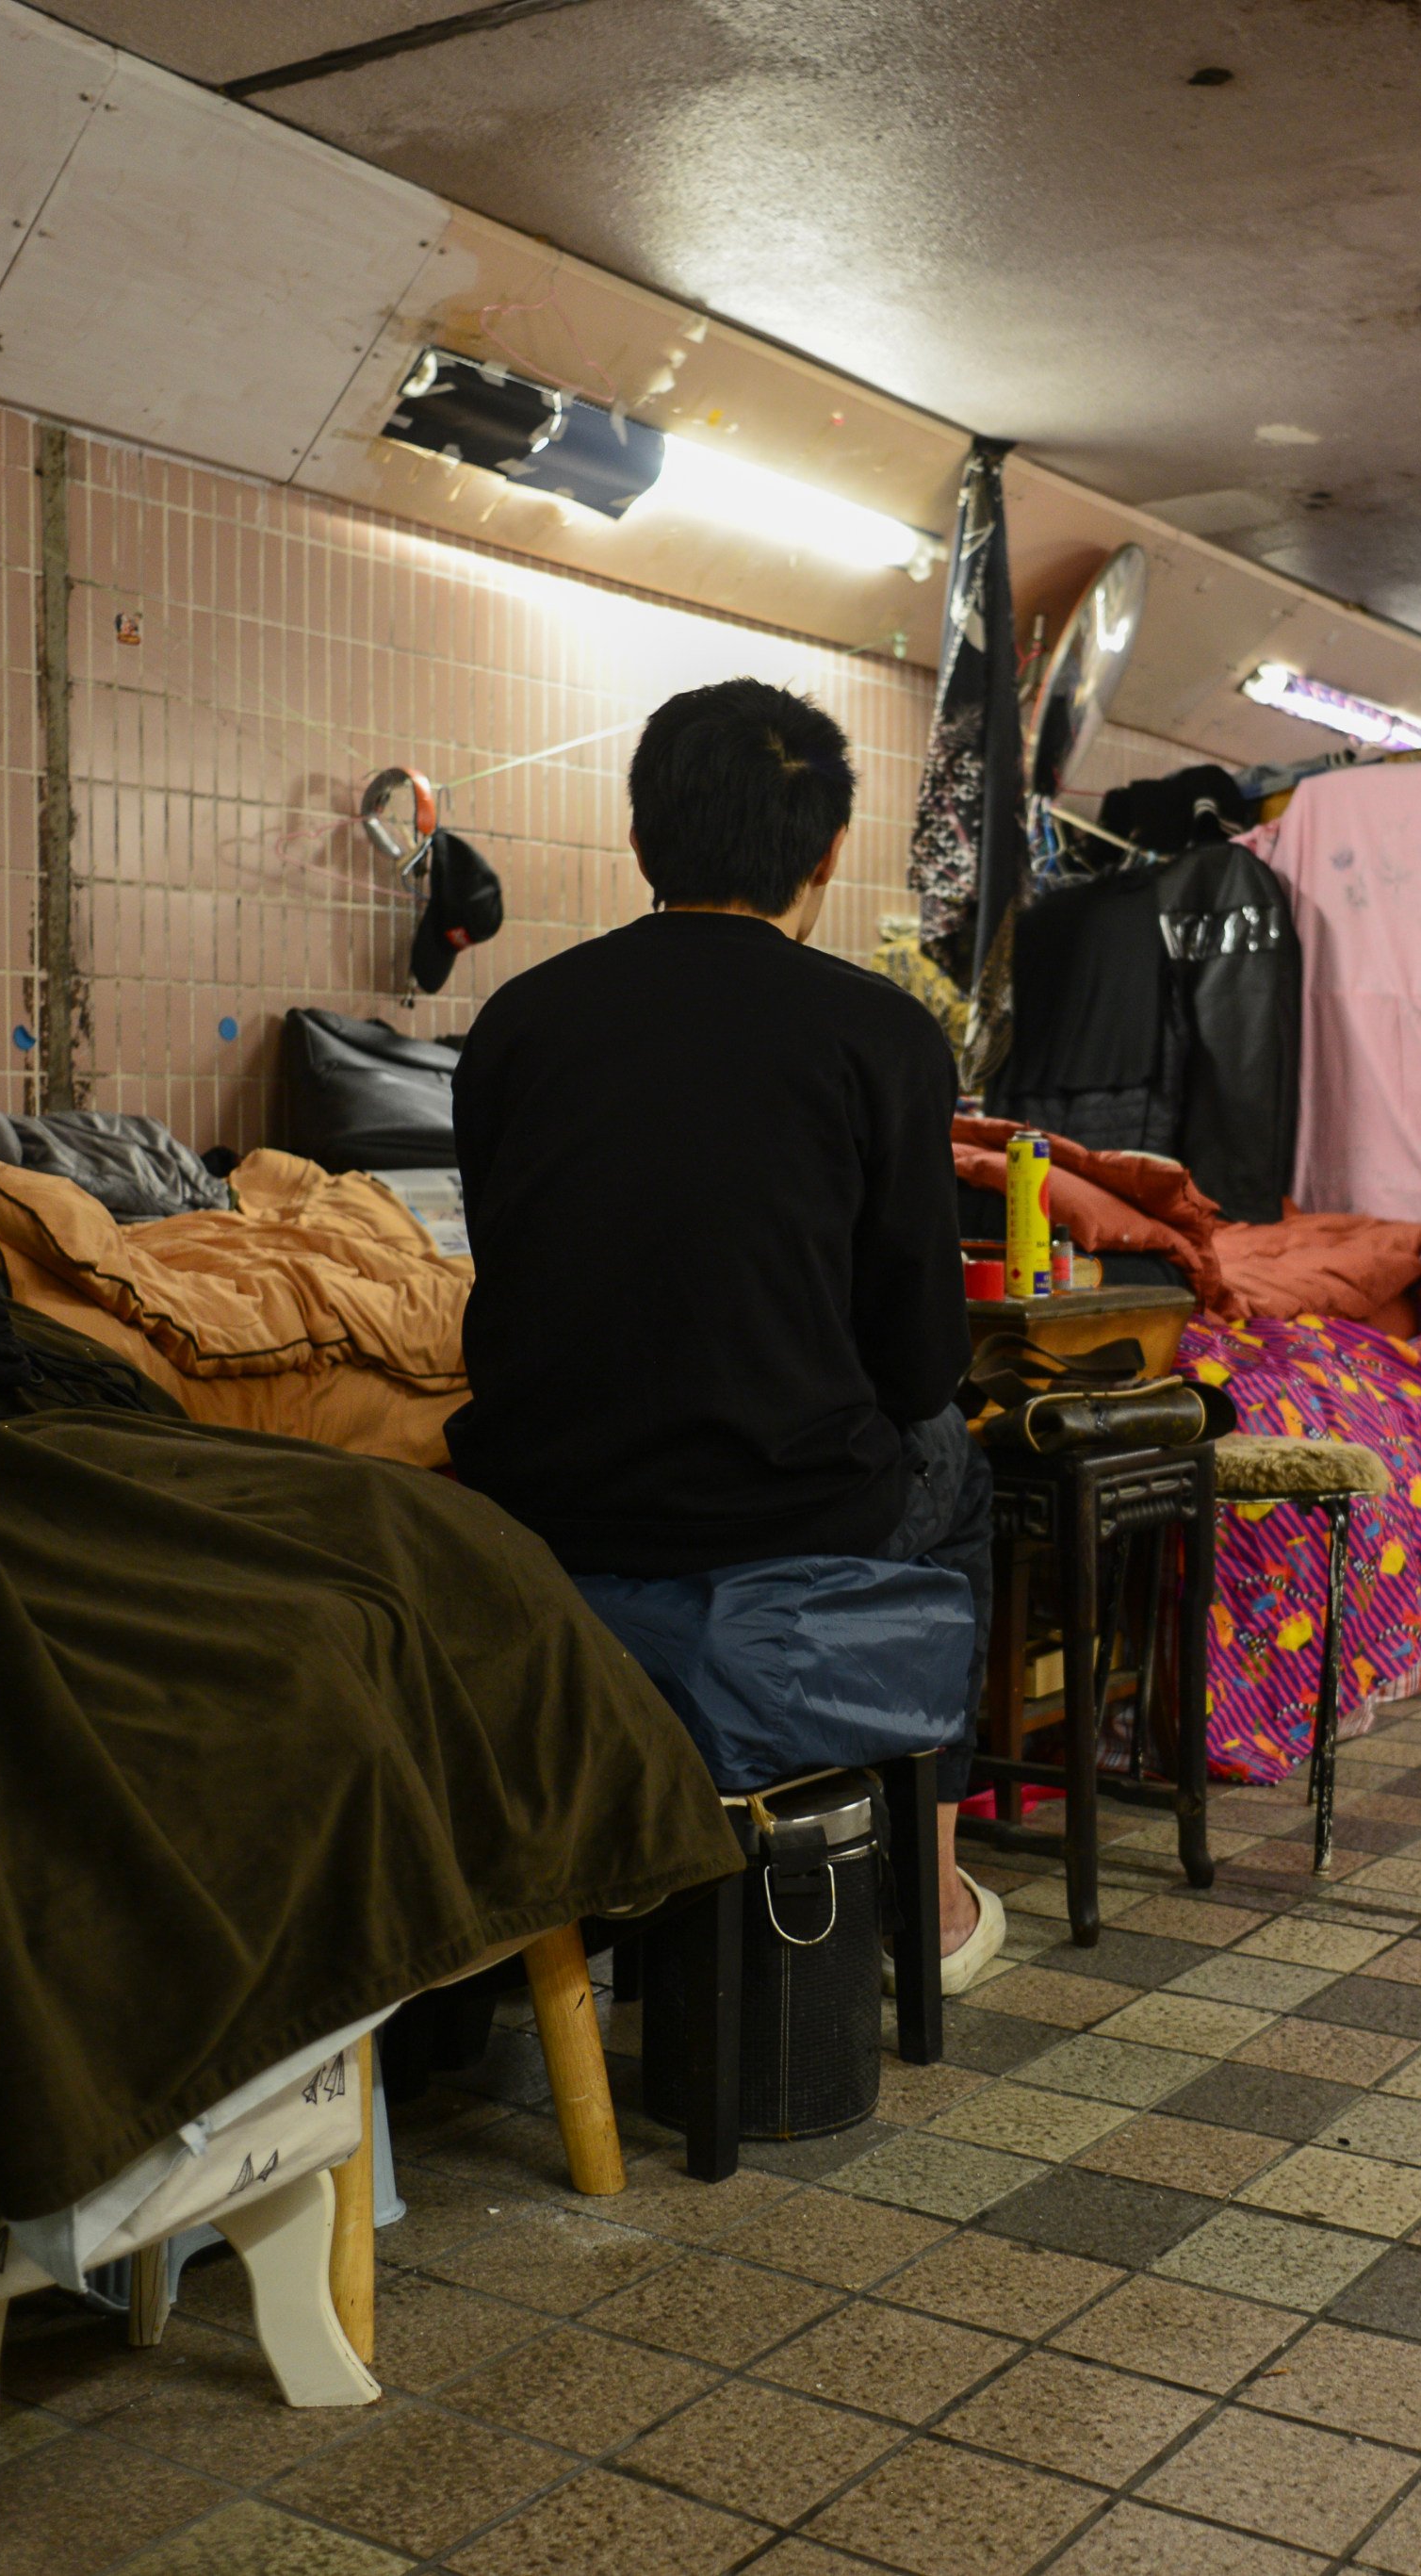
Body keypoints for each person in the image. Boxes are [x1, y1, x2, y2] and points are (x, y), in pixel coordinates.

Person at [448, 678, 1007, 1990]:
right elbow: (921, 1355)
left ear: (639, 842)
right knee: (960, 1471)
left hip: (544, 1503)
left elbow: (518, 1269)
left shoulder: (517, 1022)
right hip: (785, 1508)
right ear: (822, 855)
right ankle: (918, 1899)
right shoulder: (881, 1033)